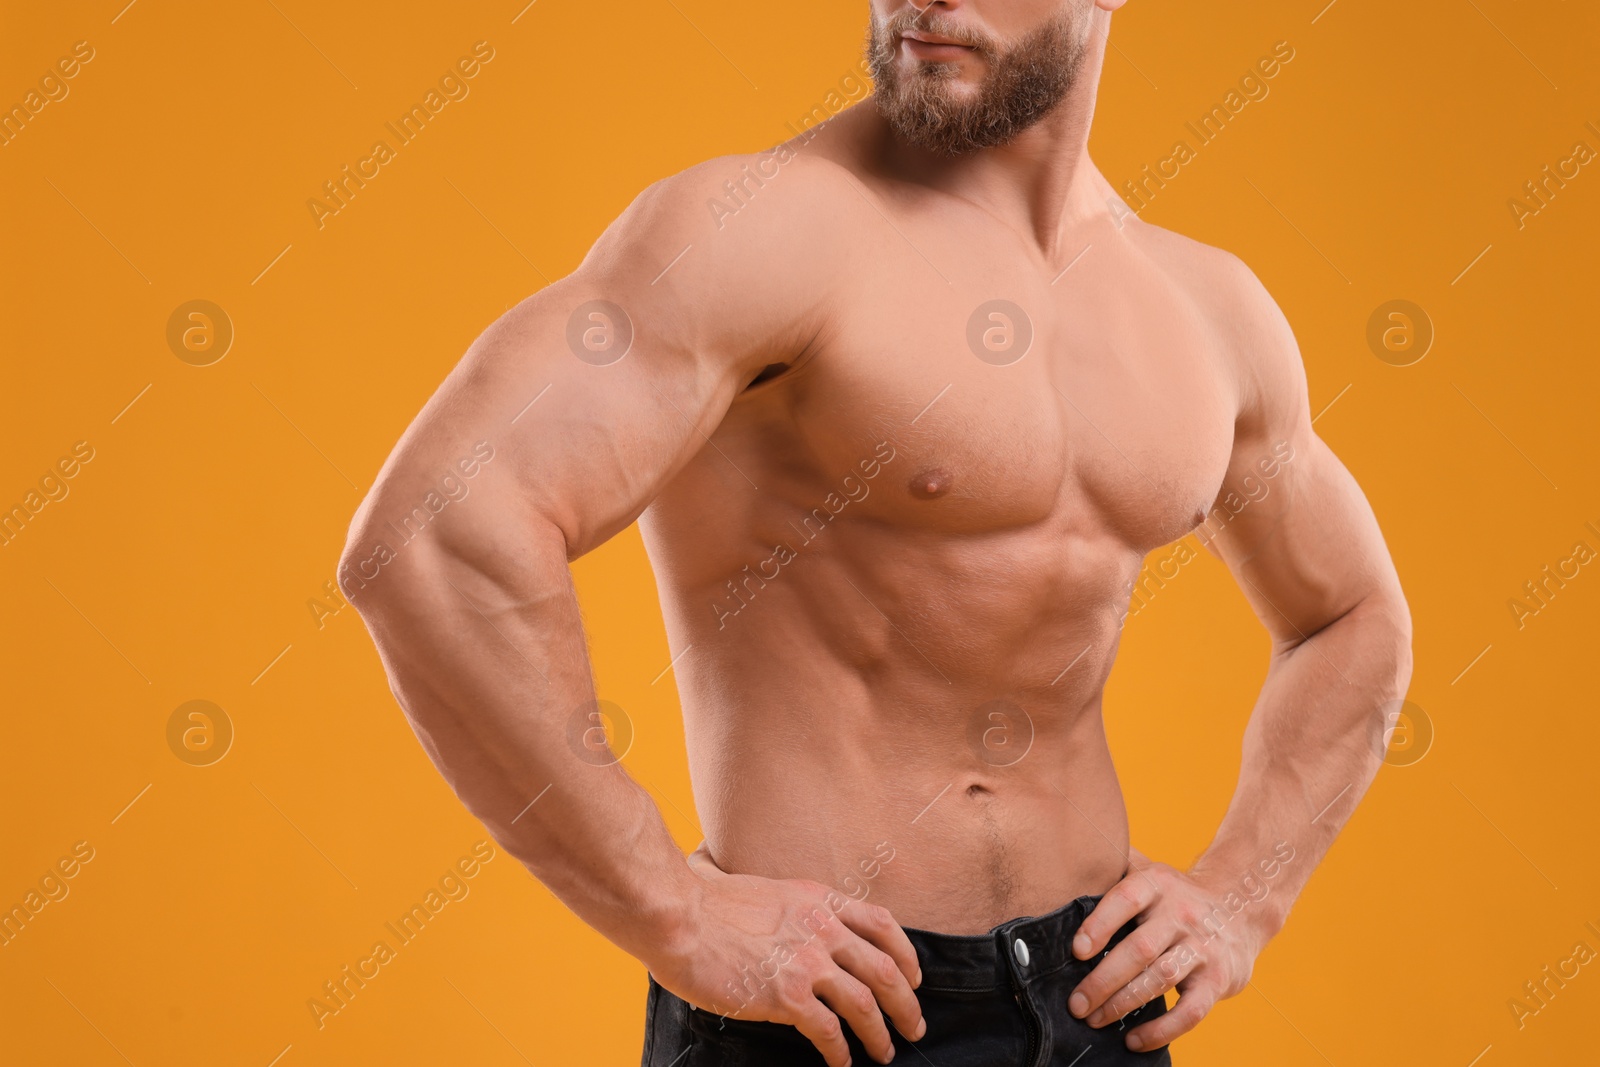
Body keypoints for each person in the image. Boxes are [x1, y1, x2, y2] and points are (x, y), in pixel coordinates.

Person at [339, 1, 1414, 1063]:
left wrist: (1241, 898)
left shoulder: (1200, 307)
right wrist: (667, 907)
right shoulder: (767, 230)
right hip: (826, 1014)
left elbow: (1352, 616)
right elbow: (436, 535)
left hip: (1095, 1009)